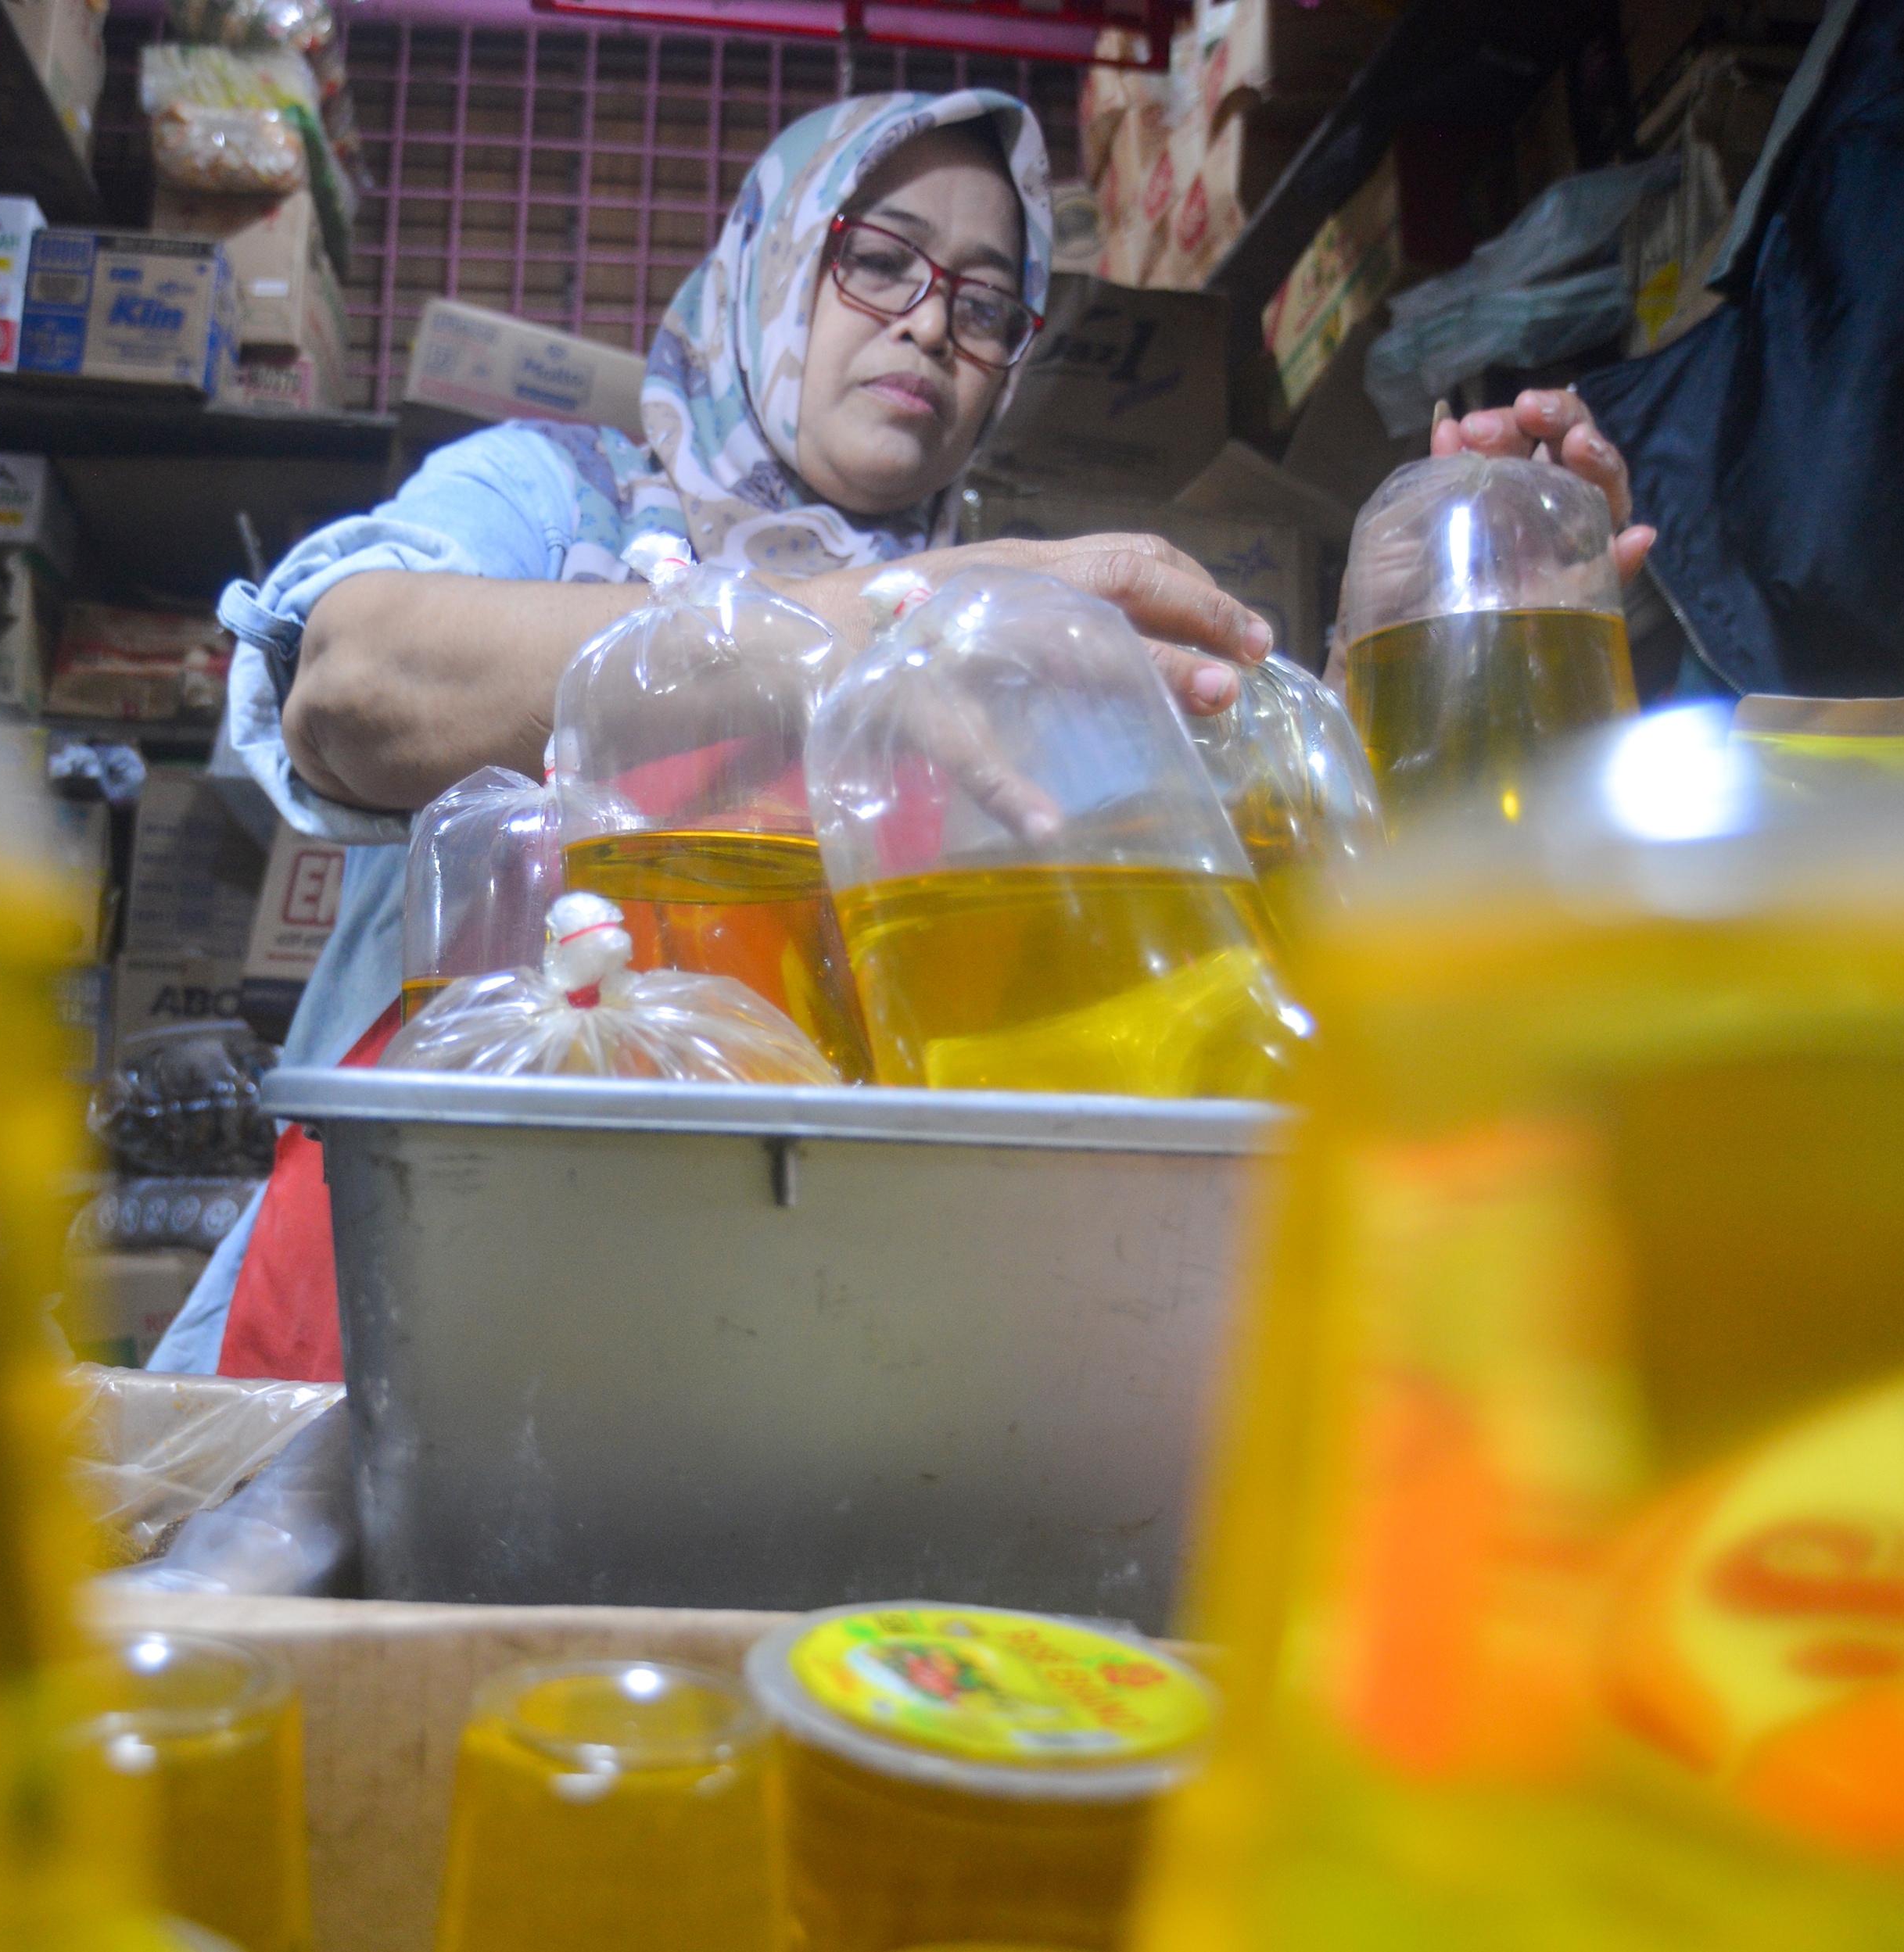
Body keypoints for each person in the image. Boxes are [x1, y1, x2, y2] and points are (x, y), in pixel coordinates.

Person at [154, 88, 1648, 1381]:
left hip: (805, 1329)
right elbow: (349, 684)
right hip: (430, 1300)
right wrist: (847, 634)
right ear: (771, 271)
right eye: (878, 263)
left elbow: (1208, 946)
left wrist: (1441, 617)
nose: (930, 322)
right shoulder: (556, 499)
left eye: (985, 300)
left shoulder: (1014, 630)